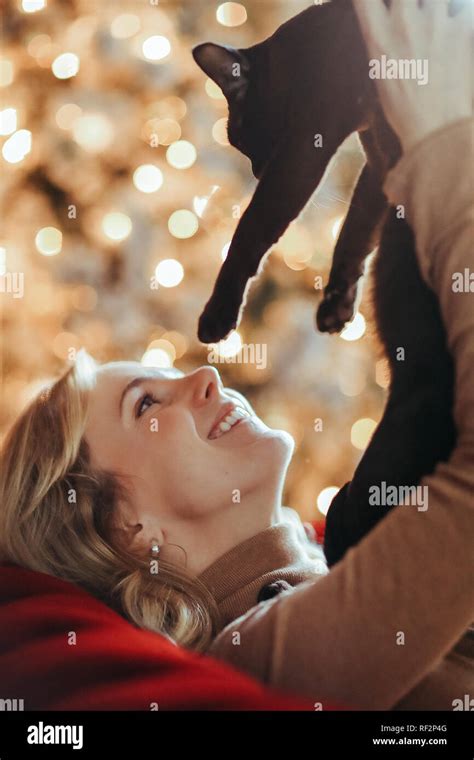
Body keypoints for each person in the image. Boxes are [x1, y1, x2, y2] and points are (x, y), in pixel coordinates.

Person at [0, 0, 472, 710]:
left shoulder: (349, 536)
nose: (203, 374)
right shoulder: (255, 656)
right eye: (147, 402)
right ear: (130, 530)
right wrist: (442, 138)